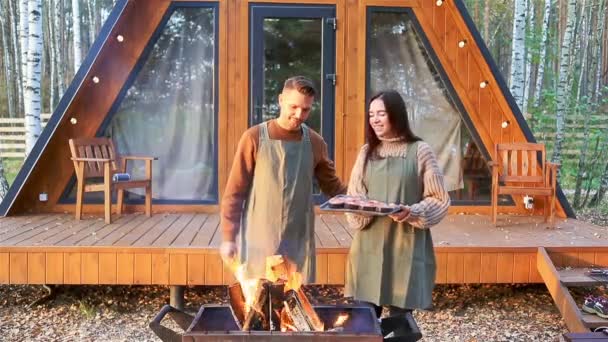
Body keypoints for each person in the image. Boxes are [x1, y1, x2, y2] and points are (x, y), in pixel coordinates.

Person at [220, 76, 346, 283]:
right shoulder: (253, 137)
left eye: (305, 109)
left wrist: (361, 200)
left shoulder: (315, 142)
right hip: (259, 238)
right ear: (280, 100)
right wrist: (228, 238)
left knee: (292, 300)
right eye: (293, 106)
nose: (299, 115)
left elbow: (333, 187)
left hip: (297, 237)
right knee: (258, 300)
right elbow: (235, 192)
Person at [345, 90, 450, 318]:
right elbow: (354, 195)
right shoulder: (367, 153)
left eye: (381, 113)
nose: (374, 119)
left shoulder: (420, 151)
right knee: (364, 322)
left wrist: (412, 212)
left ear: (396, 115)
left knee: (400, 325)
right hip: (369, 247)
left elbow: (439, 199)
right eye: (371, 114)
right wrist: (363, 209)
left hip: (407, 246)